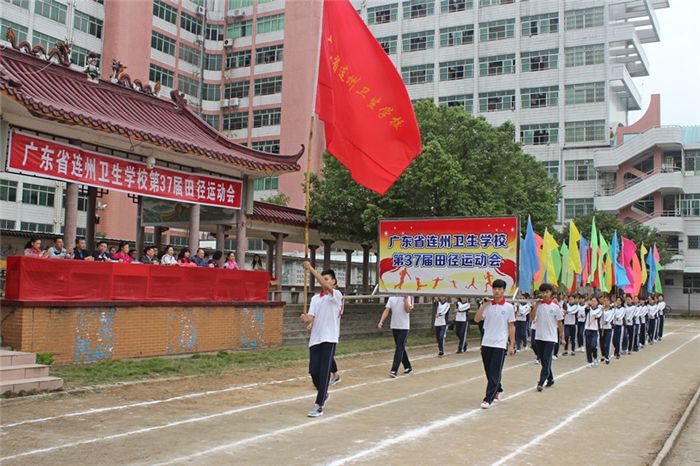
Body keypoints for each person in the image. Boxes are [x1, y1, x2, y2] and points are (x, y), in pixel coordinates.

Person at [300, 262, 343, 418]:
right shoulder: (316, 298)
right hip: (315, 338)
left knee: (325, 371)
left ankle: (319, 405)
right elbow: (312, 316)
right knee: (313, 371)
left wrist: (311, 269)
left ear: (333, 282)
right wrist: (307, 319)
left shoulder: (336, 295)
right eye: (323, 278)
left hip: (329, 337)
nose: (324, 281)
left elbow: (325, 285)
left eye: (327, 279)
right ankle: (323, 393)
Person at [474, 279, 515, 409]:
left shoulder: (509, 307)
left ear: (504, 290)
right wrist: (483, 306)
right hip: (487, 342)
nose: (497, 291)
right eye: (495, 289)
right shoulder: (488, 306)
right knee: (488, 370)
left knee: (495, 371)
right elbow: (477, 319)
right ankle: (498, 388)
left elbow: (511, 326)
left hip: (500, 343)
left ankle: (488, 398)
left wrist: (511, 344)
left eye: (499, 289)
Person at [532, 283, 564, 391]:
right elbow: (532, 317)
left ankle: (541, 381)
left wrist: (562, 337)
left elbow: (559, 322)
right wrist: (535, 305)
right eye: (543, 292)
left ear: (550, 293)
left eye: (547, 292)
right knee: (543, 360)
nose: (544, 294)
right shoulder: (538, 305)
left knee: (546, 358)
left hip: (550, 337)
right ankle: (550, 379)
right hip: (539, 336)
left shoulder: (555, 307)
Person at [378, 295, 414, 378]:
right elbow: (387, 310)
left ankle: (394, 369)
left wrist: (405, 299)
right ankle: (408, 367)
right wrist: (381, 321)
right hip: (394, 326)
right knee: (400, 347)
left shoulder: (409, 296)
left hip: (404, 327)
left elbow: (408, 310)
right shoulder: (392, 297)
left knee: (399, 347)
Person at [584, 296, 602, 367]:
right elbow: (586, 309)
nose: (593, 302)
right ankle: (589, 361)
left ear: (597, 302)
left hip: (594, 330)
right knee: (588, 346)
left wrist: (592, 318)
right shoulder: (588, 309)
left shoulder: (599, 310)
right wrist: (588, 305)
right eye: (592, 301)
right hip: (587, 329)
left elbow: (597, 316)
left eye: (595, 301)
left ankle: (595, 357)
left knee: (593, 346)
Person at [600, 296, 614, 364]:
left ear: (609, 302)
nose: (605, 302)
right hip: (602, 328)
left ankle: (607, 357)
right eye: (604, 301)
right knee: (602, 343)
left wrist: (605, 321)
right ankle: (603, 355)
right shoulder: (601, 309)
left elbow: (611, 317)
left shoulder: (612, 309)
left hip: (608, 328)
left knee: (607, 343)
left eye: (607, 301)